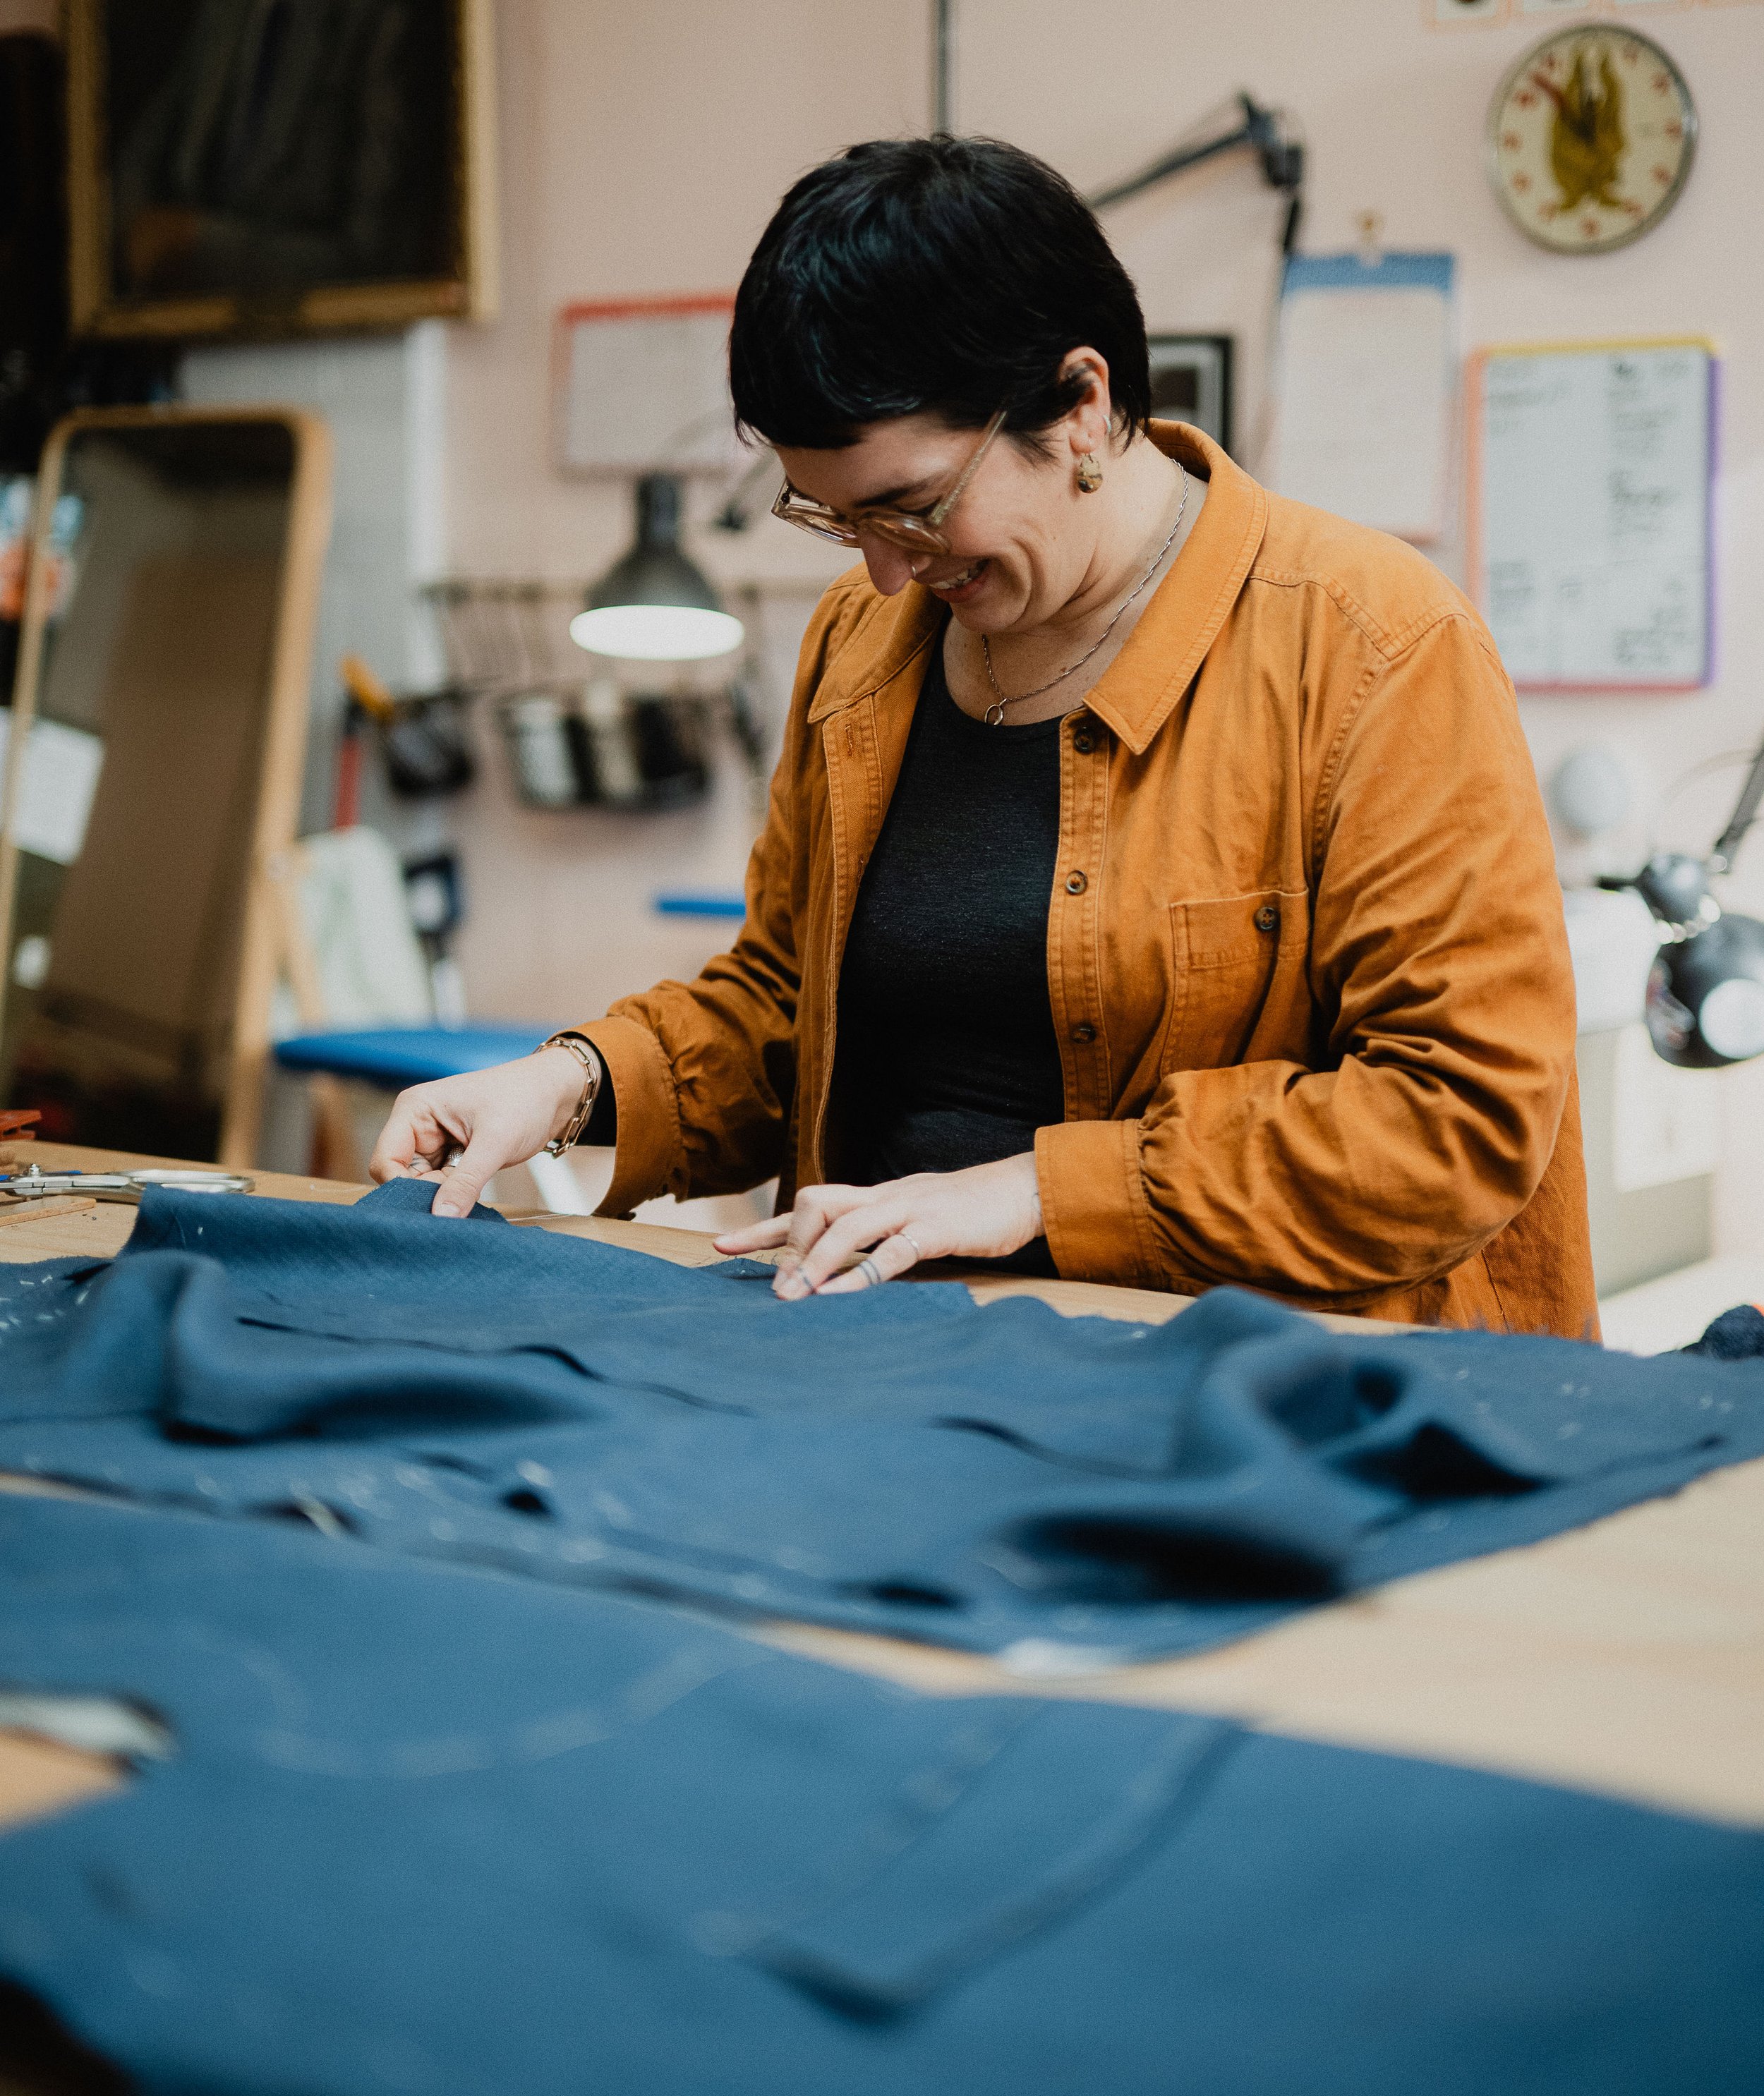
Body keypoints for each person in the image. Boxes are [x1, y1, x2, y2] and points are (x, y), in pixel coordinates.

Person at [372, 136, 1595, 1335]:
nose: (886, 573)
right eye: (832, 517)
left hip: (1255, 1383)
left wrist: (1033, 1191)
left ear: (1080, 404)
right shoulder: (862, 640)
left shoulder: (1376, 645)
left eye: (913, 508)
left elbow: (1456, 1118)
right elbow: (790, 1003)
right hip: (888, 1353)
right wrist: (570, 1083)